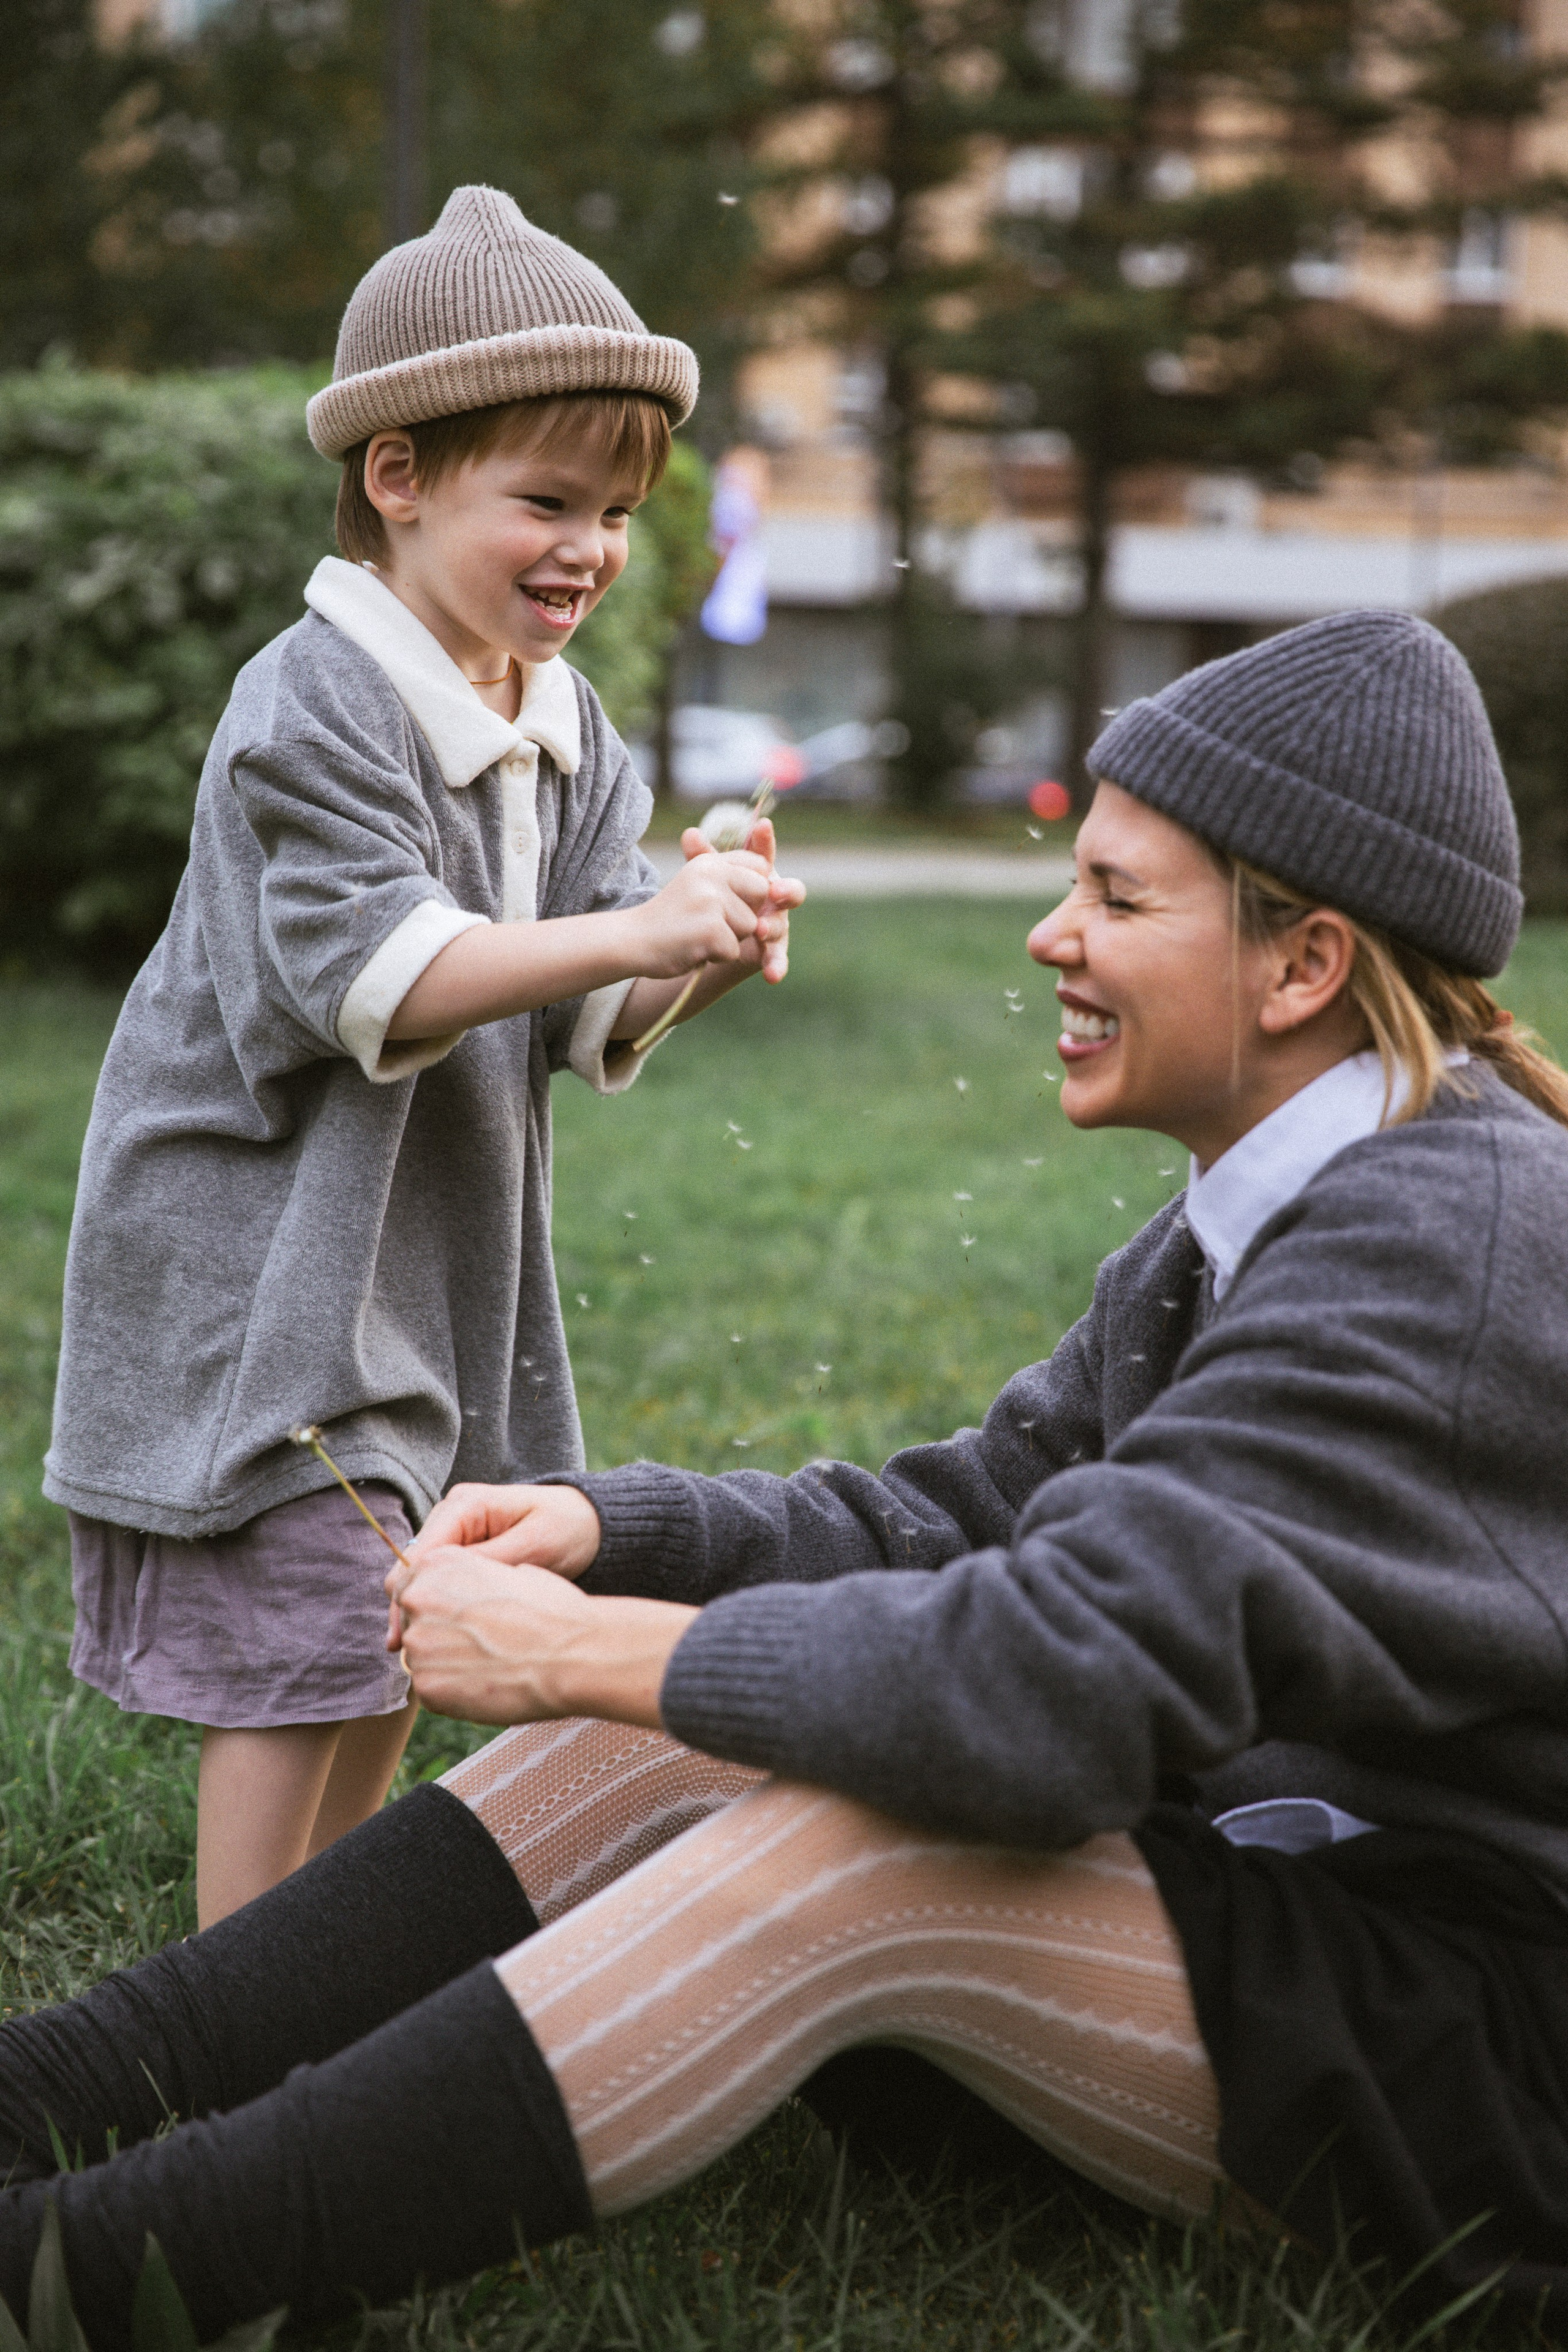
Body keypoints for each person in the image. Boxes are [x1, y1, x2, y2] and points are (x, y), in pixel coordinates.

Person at [9, 611, 1568, 2345]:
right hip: (1277, 1921)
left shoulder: (1450, 1241)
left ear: (1303, 968)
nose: (1055, 936)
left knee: (855, 1836)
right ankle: (42, 2101)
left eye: (1121, 901)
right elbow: (968, 1518)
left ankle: (88, 2278)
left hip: (1491, 2064)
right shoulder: (1262, 1220)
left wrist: (580, 1653)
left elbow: (1043, 1690)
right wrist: (624, 1534)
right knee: (655, 1730)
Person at [42, 184, 803, 1929]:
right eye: (546, 500)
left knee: (399, 1619)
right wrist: (633, 932)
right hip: (264, 1255)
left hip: (424, 1269)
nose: (592, 548)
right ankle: (230, 1997)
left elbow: (584, 1012)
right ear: (398, 477)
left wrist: (697, 945)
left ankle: (305, 1959)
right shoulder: (317, 701)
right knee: (307, 1639)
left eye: (617, 510)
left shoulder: (566, 724)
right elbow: (377, 979)